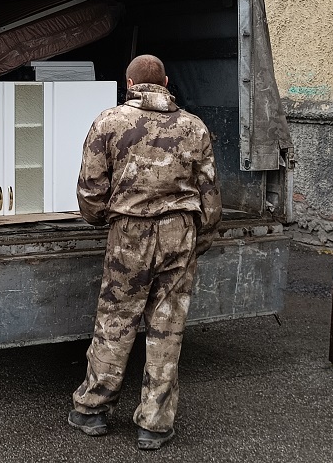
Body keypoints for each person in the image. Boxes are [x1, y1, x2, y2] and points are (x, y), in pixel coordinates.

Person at [66, 54, 221, 451]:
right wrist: (199, 236)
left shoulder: (109, 122)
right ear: (166, 81)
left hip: (129, 233)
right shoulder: (194, 126)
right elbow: (210, 195)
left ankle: (93, 409)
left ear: (129, 83)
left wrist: (102, 220)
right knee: (167, 326)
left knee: (116, 320)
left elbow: (90, 188)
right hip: (179, 232)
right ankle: (153, 424)